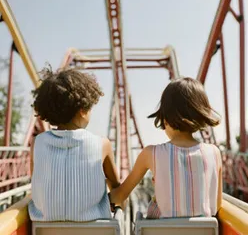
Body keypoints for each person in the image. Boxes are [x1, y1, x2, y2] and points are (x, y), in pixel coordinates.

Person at [109, 77, 222, 219]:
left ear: (165, 117)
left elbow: (120, 196)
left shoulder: (151, 154)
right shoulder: (215, 153)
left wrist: (107, 184)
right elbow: (216, 205)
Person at [28, 66, 120, 221]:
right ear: (82, 110)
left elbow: (37, 183)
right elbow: (116, 186)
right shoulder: (102, 144)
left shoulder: (37, 143)